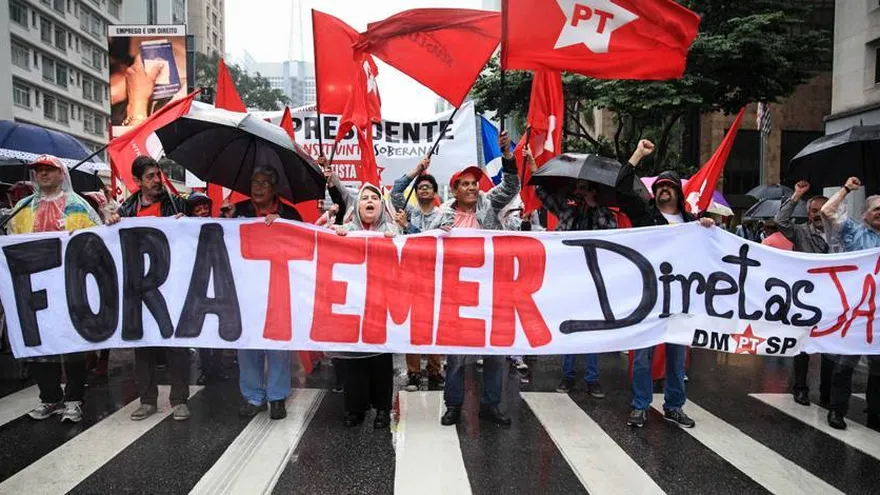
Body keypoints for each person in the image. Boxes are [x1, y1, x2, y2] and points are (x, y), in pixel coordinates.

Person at [529, 142, 648, 399]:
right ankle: (568, 375)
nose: (580, 191)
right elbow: (542, 194)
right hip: (570, 277)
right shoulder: (566, 209)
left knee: (592, 326)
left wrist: (595, 206)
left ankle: (592, 379)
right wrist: (532, 164)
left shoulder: (604, 214)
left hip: (594, 276)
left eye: (585, 188)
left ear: (593, 190)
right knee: (571, 325)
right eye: (578, 188)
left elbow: (610, 233)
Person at [616, 142, 715, 429]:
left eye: (669, 186)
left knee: (676, 357)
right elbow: (622, 188)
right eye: (659, 186)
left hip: (680, 297)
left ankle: (674, 406)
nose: (664, 189)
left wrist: (707, 228)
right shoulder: (645, 216)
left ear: (678, 192)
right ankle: (640, 406)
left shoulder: (691, 222)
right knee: (644, 354)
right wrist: (637, 155)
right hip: (649, 295)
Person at [7, 155, 105, 423]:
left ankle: (74, 399)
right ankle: (49, 398)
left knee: (71, 344)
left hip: (69, 289)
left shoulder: (78, 207)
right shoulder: (22, 208)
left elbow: (95, 241)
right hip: (35, 291)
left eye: (49, 169)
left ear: (62, 174)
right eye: (38, 170)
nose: (43, 174)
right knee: (40, 347)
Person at [432, 131, 520, 427]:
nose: (471, 188)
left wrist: (508, 155)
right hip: (457, 292)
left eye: (474, 183)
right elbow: (423, 245)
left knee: (495, 351)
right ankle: (453, 404)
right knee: (456, 353)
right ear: (454, 189)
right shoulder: (441, 216)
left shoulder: (489, 204)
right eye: (465, 184)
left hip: (491, 289)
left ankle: (490, 405)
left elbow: (511, 185)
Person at [118, 156, 191, 422]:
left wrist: (186, 223)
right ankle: (147, 400)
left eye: (157, 175)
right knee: (144, 344)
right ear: (137, 181)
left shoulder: (175, 204)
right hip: (139, 288)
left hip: (171, 286)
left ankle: (179, 399)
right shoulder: (126, 210)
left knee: (176, 344)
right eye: (150, 176)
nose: (157, 180)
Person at [228, 166, 299, 420]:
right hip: (246, 290)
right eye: (254, 182)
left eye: (263, 183)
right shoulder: (239, 211)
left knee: (278, 345)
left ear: (274, 188)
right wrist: (225, 220)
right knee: (247, 344)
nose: (257, 187)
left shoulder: (290, 215)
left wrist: (281, 228)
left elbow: (304, 247)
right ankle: (253, 396)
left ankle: (277, 397)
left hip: (280, 291)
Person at [333, 183, 399, 428]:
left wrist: (397, 239)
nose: (370, 201)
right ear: (357, 206)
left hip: (381, 307)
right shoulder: (346, 231)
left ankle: (382, 408)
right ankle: (355, 409)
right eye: (364, 198)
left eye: (375, 198)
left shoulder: (393, 231)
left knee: (381, 360)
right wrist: (333, 236)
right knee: (353, 361)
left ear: (381, 206)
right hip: (353, 307)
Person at [819, 177, 880, 430]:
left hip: (878, 314)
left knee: (878, 367)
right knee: (845, 363)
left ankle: (875, 413)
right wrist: (845, 190)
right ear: (865, 212)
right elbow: (827, 211)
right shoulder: (853, 231)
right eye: (877, 209)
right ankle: (837, 410)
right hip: (854, 311)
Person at [774, 181, 833, 407]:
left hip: (832, 298)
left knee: (831, 346)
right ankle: (800, 388)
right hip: (806, 298)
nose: (818, 215)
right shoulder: (799, 232)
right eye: (814, 211)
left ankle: (826, 394)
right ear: (808, 214)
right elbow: (780, 221)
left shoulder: (840, 234)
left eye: (823, 211)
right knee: (804, 345)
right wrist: (796, 196)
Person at [391, 157, 445, 391]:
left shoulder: (443, 216)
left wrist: (408, 228)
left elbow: (429, 242)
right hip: (409, 276)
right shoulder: (409, 211)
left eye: (427, 186)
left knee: (433, 324)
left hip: (434, 278)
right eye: (420, 186)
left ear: (434, 192)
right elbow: (395, 192)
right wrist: (417, 171)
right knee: (412, 326)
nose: (423, 189)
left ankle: (435, 369)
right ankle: (413, 371)